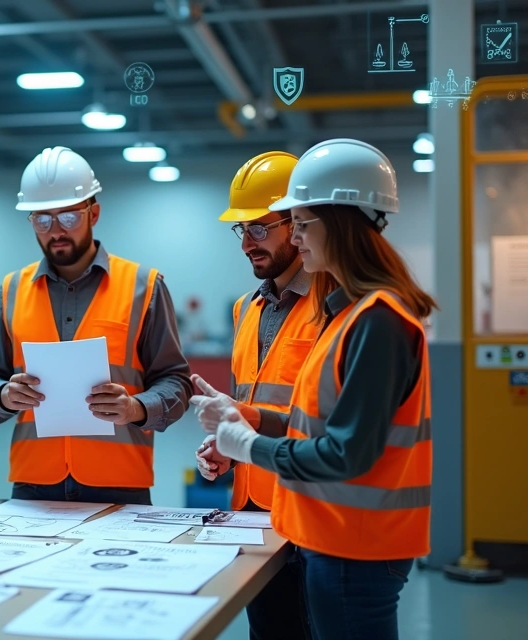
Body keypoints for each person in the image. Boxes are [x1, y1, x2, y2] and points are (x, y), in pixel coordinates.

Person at [191, 139, 434, 640]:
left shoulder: (377, 321)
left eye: (300, 223)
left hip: (354, 541)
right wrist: (247, 421)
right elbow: (315, 423)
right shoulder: (350, 315)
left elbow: (346, 453)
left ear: (337, 223)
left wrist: (248, 445)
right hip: (326, 530)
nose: (298, 237)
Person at [0, 146, 193, 505]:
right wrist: (3, 395)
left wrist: (136, 408)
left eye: (69, 217)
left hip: (120, 482)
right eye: (42, 220)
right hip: (33, 484)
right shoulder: (10, 291)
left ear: (94, 213)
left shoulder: (143, 287)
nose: (56, 231)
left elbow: (177, 383)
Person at [196, 151, 314, 640]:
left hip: (309, 509)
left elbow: (327, 417)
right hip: (252, 510)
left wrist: (246, 420)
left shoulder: (334, 305)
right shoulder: (246, 308)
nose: (247, 244)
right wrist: (226, 445)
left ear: (297, 224)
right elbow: (248, 403)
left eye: (259, 229)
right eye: (241, 230)